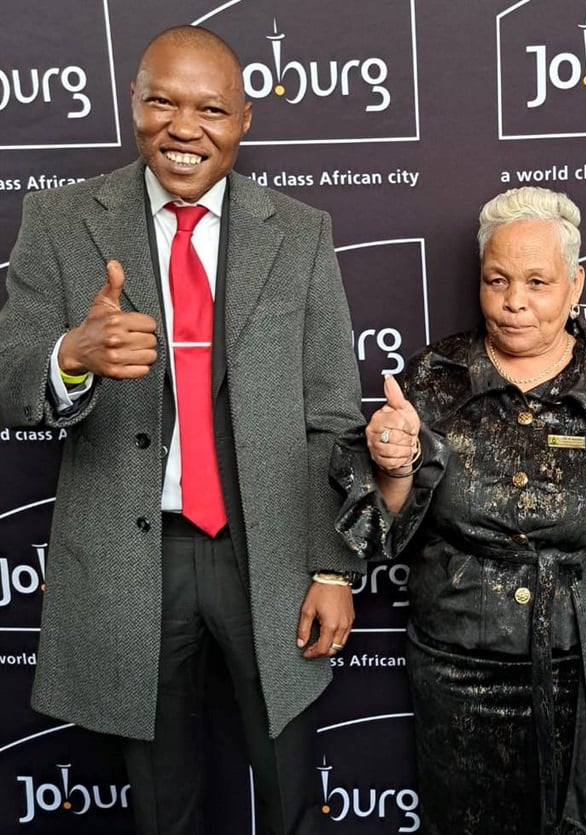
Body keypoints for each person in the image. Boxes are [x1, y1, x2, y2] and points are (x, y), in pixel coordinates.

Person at [0, 25, 366, 835]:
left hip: (264, 555)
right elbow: (8, 372)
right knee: (162, 804)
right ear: (132, 104)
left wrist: (333, 566)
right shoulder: (61, 220)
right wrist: (71, 354)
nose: (183, 127)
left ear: (243, 121)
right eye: (161, 101)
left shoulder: (301, 232)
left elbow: (333, 414)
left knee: (288, 791)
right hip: (136, 559)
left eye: (209, 108)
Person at [330, 186, 586, 834]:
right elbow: (382, 532)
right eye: (497, 280)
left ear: (575, 285)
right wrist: (393, 468)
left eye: (538, 282)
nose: (514, 301)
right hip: (460, 661)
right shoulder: (433, 376)